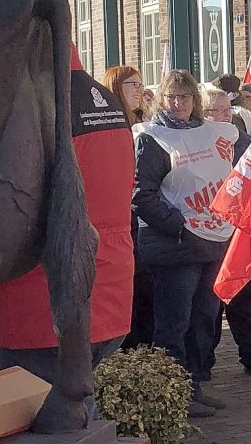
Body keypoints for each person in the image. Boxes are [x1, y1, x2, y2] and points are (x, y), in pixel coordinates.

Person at [0, 47, 135, 421]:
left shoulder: (22, 103)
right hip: (109, 292)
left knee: (34, 421)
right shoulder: (105, 100)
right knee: (76, 416)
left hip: (36, 310)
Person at [133, 69, 239, 418]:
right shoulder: (151, 138)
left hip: (211, 240)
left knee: (204, 319)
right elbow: (141, 193)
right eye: (172, 97)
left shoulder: (212, 134)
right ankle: (173, 395)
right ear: (162, 100)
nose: (178, 104)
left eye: (185, 97)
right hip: (175, 244)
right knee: (173, 323)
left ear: (195, 99)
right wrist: (177, 225)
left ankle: (193, 385)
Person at [199, 88, 251, 378]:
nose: (220, 116)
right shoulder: (197, 143)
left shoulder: (244, 142)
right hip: (209, 231)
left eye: (225, 110)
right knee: (210, 300)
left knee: (248, 296)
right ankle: (204, 360)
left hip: (241, 229)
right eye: (212, 111)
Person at [101, 66, 154, 351]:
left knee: (147, 288)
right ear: (116, 88)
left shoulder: (146, 122)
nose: (139, 89)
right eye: (132, 84)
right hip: (123, 219)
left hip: (144, 221)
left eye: (140, 83)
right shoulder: (111, 124)